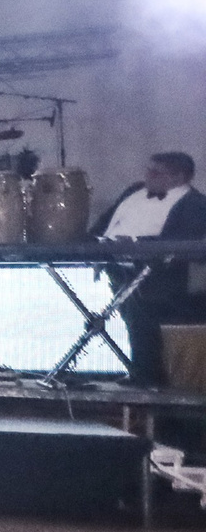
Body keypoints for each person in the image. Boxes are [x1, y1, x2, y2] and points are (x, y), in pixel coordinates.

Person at [96, 151, 206, 386]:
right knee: (129, 318)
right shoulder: (133, 191)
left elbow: (182, 242)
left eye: (156, 172)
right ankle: (140, 372)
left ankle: (148, 377)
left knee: (144, 318)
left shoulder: (195, 204)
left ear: (179, 176)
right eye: (148, 170)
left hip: (158, 274)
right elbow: (105, 221)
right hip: (117, 265)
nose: (148, 176)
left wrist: (137, 245)